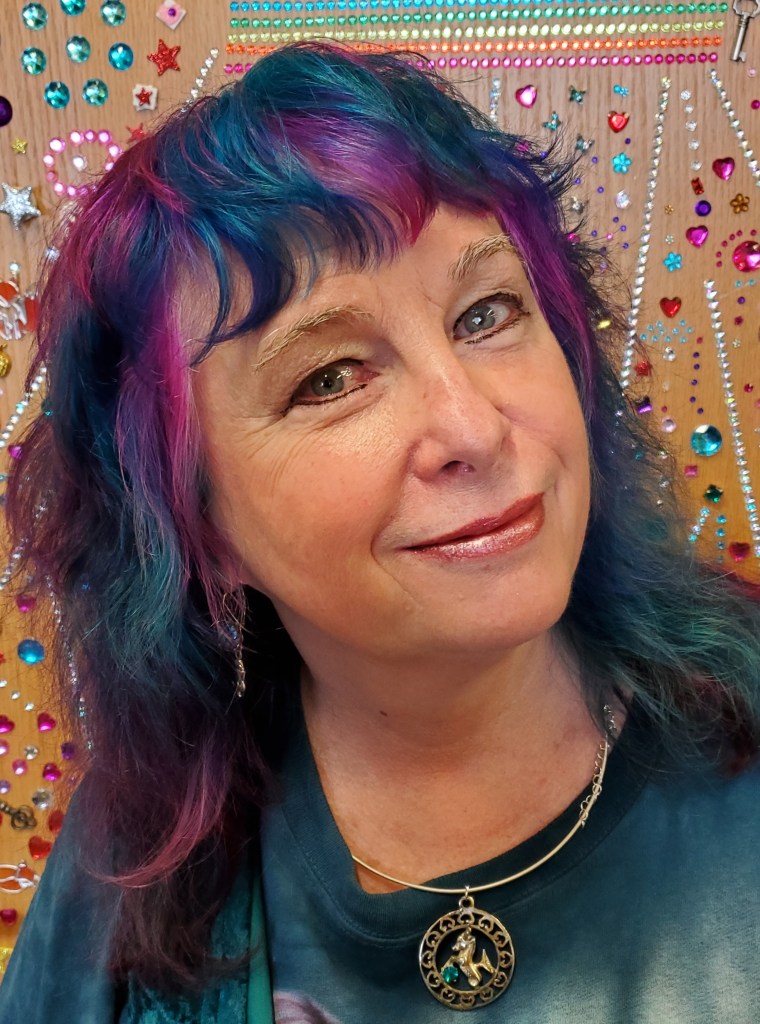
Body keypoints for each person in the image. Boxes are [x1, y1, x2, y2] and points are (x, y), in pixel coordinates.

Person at [1, 38, 760, 1024]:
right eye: (330, 378)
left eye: (486, 313)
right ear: (196, 527)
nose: (472, 429)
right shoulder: (135, 864)